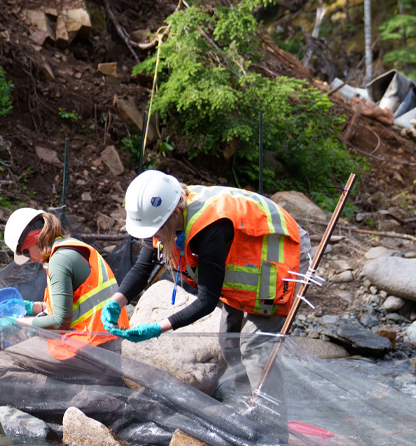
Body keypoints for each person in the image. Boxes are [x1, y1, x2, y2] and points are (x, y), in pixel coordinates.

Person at [102, 170, 312, 424]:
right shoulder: (162, 218)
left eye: (155, 230)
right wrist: (116, 302)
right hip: (245, 265)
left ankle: (274, 428)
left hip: (282, 257)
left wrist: (158, 328)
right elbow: (142, 268)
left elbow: (207, 301)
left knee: (255, 347)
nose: (151, 236)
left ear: (174, 214)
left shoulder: (208, 228)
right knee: (228, 340)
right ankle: (249, 407)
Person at [0, 208, 129, 386]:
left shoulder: (59, 261)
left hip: (90, 349)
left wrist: (18, 320)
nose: (30, 259)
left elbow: (60, 321)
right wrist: (31, 307)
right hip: (106, 345)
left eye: (26, 252)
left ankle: (67, 393)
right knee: (27, 337)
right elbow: (71, 306)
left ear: (33, 238)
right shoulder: (69, 248)